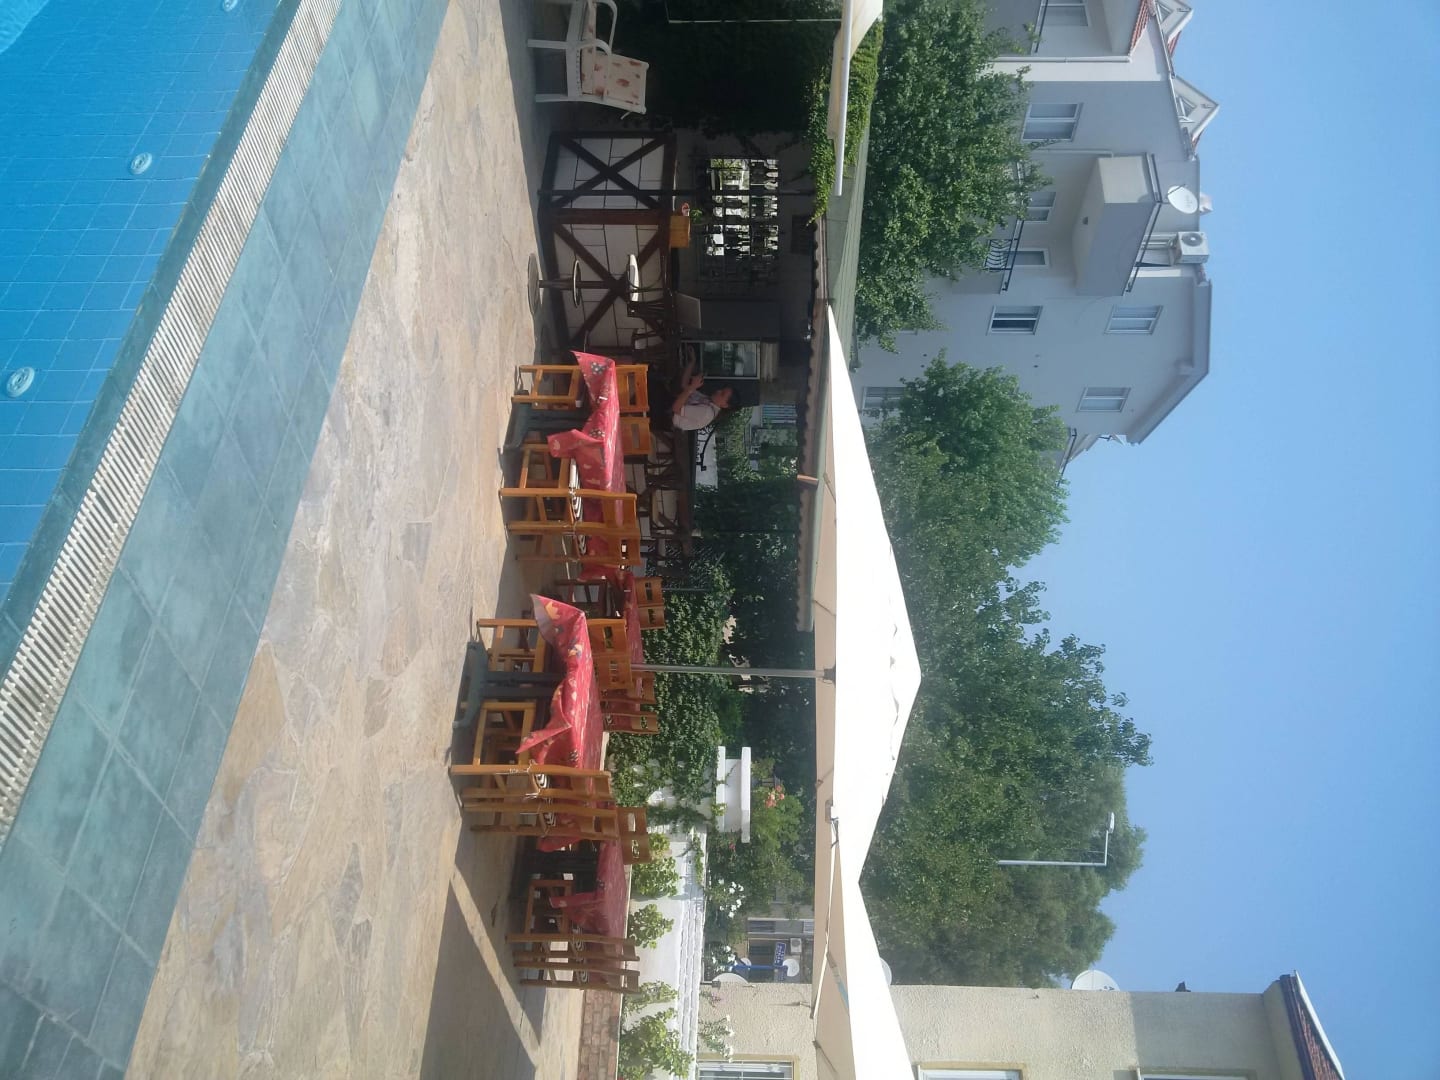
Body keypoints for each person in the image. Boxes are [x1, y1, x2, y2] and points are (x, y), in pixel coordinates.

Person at [670, 361, 734, 431]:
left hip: (667, 419)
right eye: (722, 390)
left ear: (725, 405)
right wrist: (692, 362)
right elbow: (685, 387)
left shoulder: (707, 413)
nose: (718, 391)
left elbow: (676, 408)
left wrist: (692, 387)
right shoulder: (708, 401)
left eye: (722, 394)